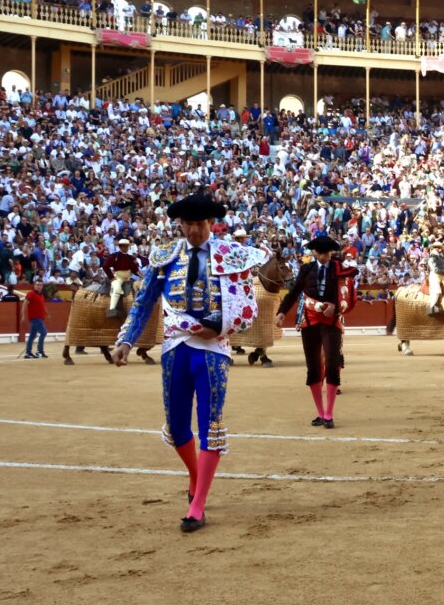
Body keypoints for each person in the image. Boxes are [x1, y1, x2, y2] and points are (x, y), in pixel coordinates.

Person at [113, 193, 265, 533]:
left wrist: (222, 325)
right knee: (177, 425)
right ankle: (196, 475)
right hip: (175, 348)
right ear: (180, 224)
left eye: (200, 224)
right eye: (188, 224)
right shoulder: (166, 257)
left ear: (211, 224)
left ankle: (197, 505)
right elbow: (144, 302)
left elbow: (247, 309)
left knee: (210, 425)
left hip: (213, 351)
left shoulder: (232, 256)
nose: (194, 231)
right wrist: (126, 340)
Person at [276, 235, 357, 430]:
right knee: (313, 367)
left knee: (332, 363)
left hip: (331, 321)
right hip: (310, 321)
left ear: (331, 252)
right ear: (314, 252)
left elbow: (348, 296)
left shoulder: (340, 269)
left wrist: (336, 306)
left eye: (326, 253)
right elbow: (294, 293)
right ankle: (320, 413)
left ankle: (329, 413)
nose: (323, 256)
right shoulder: (306, 269)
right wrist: (281, 312)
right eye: (320, 253)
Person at [102, 238, 142, 317]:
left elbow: (134, 269)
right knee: (116, 288)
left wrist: (141, 275)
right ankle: (112, 309)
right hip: (118, 277)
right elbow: (105, 266)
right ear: (120, 247)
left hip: (128, 278)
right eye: (123, 246)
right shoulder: (114, 256)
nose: (125, 248)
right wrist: (111, 277)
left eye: (126, 246)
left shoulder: (130, 257)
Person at [22, 283, 50, 359]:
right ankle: (39, 351)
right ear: (34, 286)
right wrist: (23, 315)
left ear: (42, 287)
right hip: (34, 318)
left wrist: (47, 313)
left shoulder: (41, 295)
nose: (39, 286)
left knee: (32, 335)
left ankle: (28, 353)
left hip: (40, 318)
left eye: (40, 285)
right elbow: (25, 304)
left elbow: (42, 306)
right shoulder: (31, 294)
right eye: (37, 285)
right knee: (43, 332)